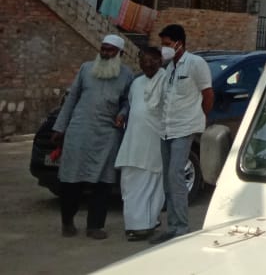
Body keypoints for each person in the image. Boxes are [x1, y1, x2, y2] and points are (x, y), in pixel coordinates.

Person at [51, 34, 133, 239]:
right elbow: (71, 99)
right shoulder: (86, 69)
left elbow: (127, 102)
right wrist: (59, 127)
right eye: (103, 49)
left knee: (103, 183)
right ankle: (67, 222)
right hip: (79, 130)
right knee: (71, 179)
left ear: (120, 53)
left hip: (107, 134)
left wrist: (122, 114)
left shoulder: (127, 75)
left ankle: (95, 226)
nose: (104, 53)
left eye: (110, 50)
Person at [151, 24, 213, 244]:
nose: (164, 48)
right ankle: (173, 226)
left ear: (179, 43)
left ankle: (182, 228)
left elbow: (208, 95)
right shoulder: (168, 68)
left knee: (176, 176)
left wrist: (198, 118)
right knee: (168, 178)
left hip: (184, 128)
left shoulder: (196, 63)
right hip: (166, 129)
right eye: (163, 44)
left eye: (167, 44)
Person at [115, 46, 166, 241]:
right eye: (144, 61)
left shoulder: (167, 81)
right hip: (132, 141)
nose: (148, 64)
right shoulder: (136, 83)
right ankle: (137, 223)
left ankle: (144, 226)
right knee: (130, 182)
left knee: (151, 183)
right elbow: (131, 105)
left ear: (160, 61)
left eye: (152, 60)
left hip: (154, 141)